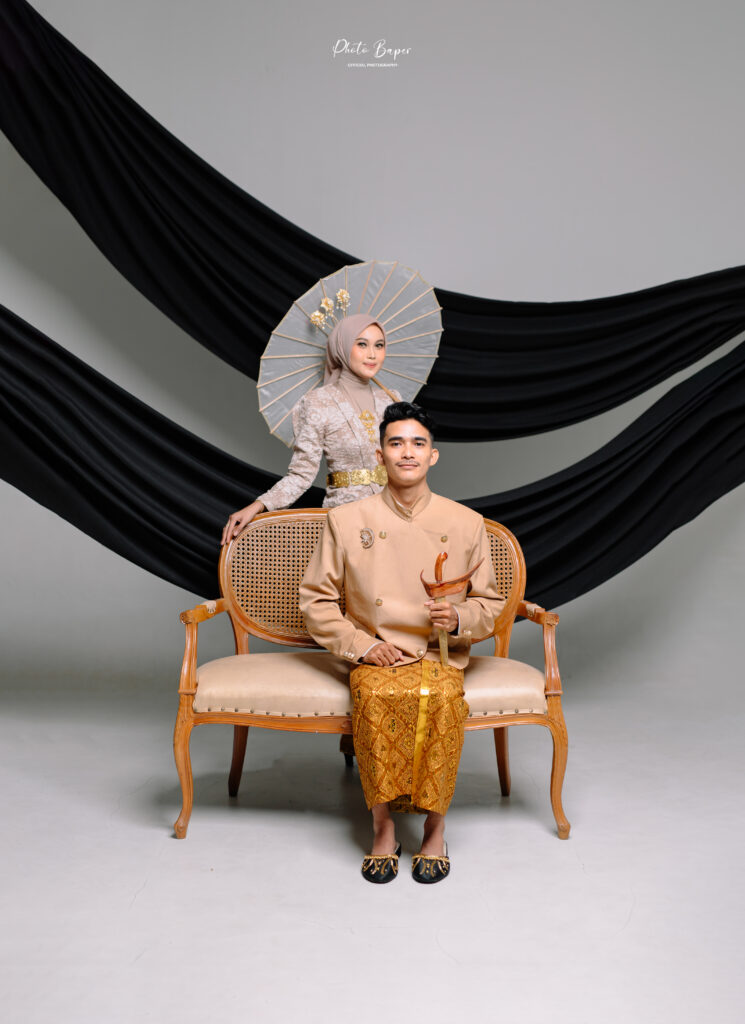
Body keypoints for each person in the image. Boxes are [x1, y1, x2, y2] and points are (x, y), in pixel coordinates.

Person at [299, 402, 504, 884]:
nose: (407, 452)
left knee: (444, 697)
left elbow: (491, 603)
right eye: (396, 443)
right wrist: (362, 645)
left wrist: (458, 617)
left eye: (418, 443)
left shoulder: (466, 521)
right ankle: (384, 826)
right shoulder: (346, 519)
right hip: (378, 652)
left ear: (433, 455)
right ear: (380, 455)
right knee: (373, 695)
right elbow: (315, 602)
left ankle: (435, 829)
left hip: (440, 652)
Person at [221, 313, 401, 545]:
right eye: (362, 344)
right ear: (342, 347)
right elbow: (301, 475)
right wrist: (259, 505)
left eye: (379, 345)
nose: (372, 354)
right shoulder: (318, 403)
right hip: (347, 523)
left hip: (395, 517)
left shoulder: (392, 401)